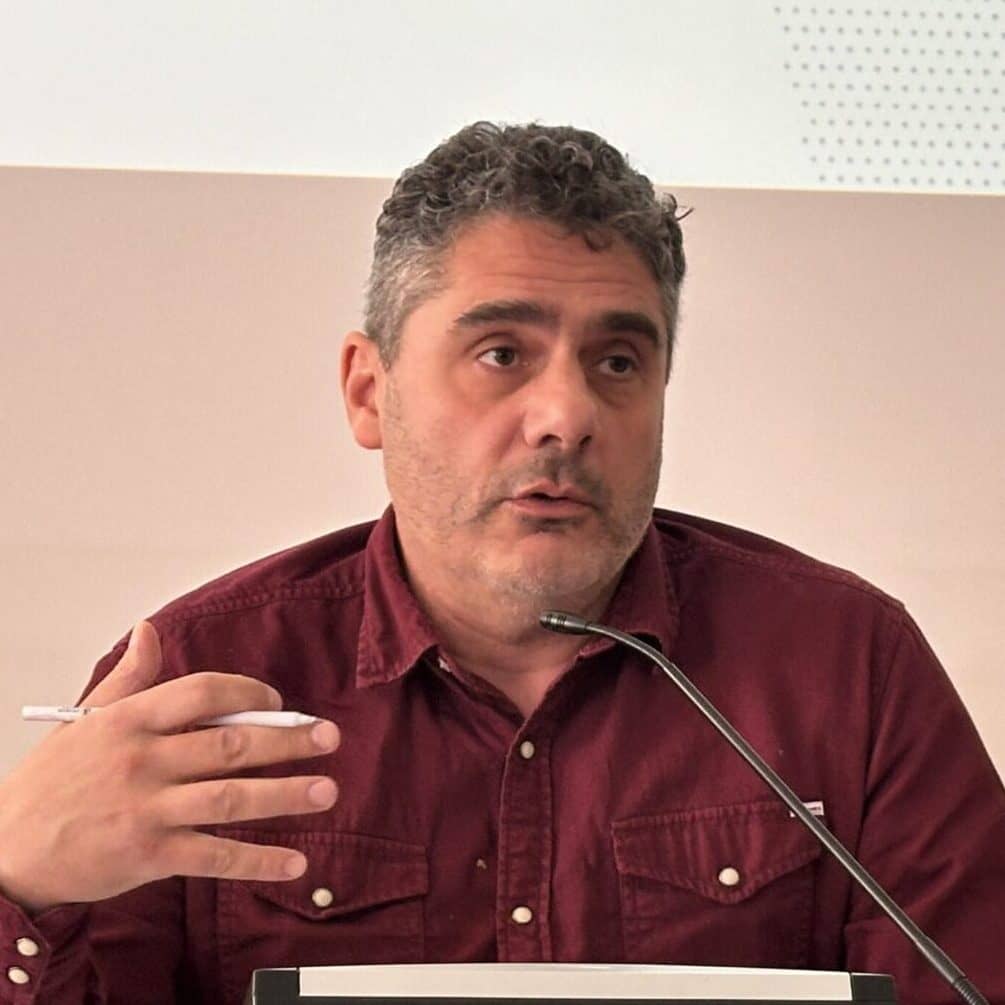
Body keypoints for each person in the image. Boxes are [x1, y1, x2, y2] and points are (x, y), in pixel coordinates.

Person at [0, 121, 1001, 1004]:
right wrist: (17, 884)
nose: (566, 415)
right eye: (501, 354)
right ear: (368, 391)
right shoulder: (199, 679)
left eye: (618, 361)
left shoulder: (849, 667)